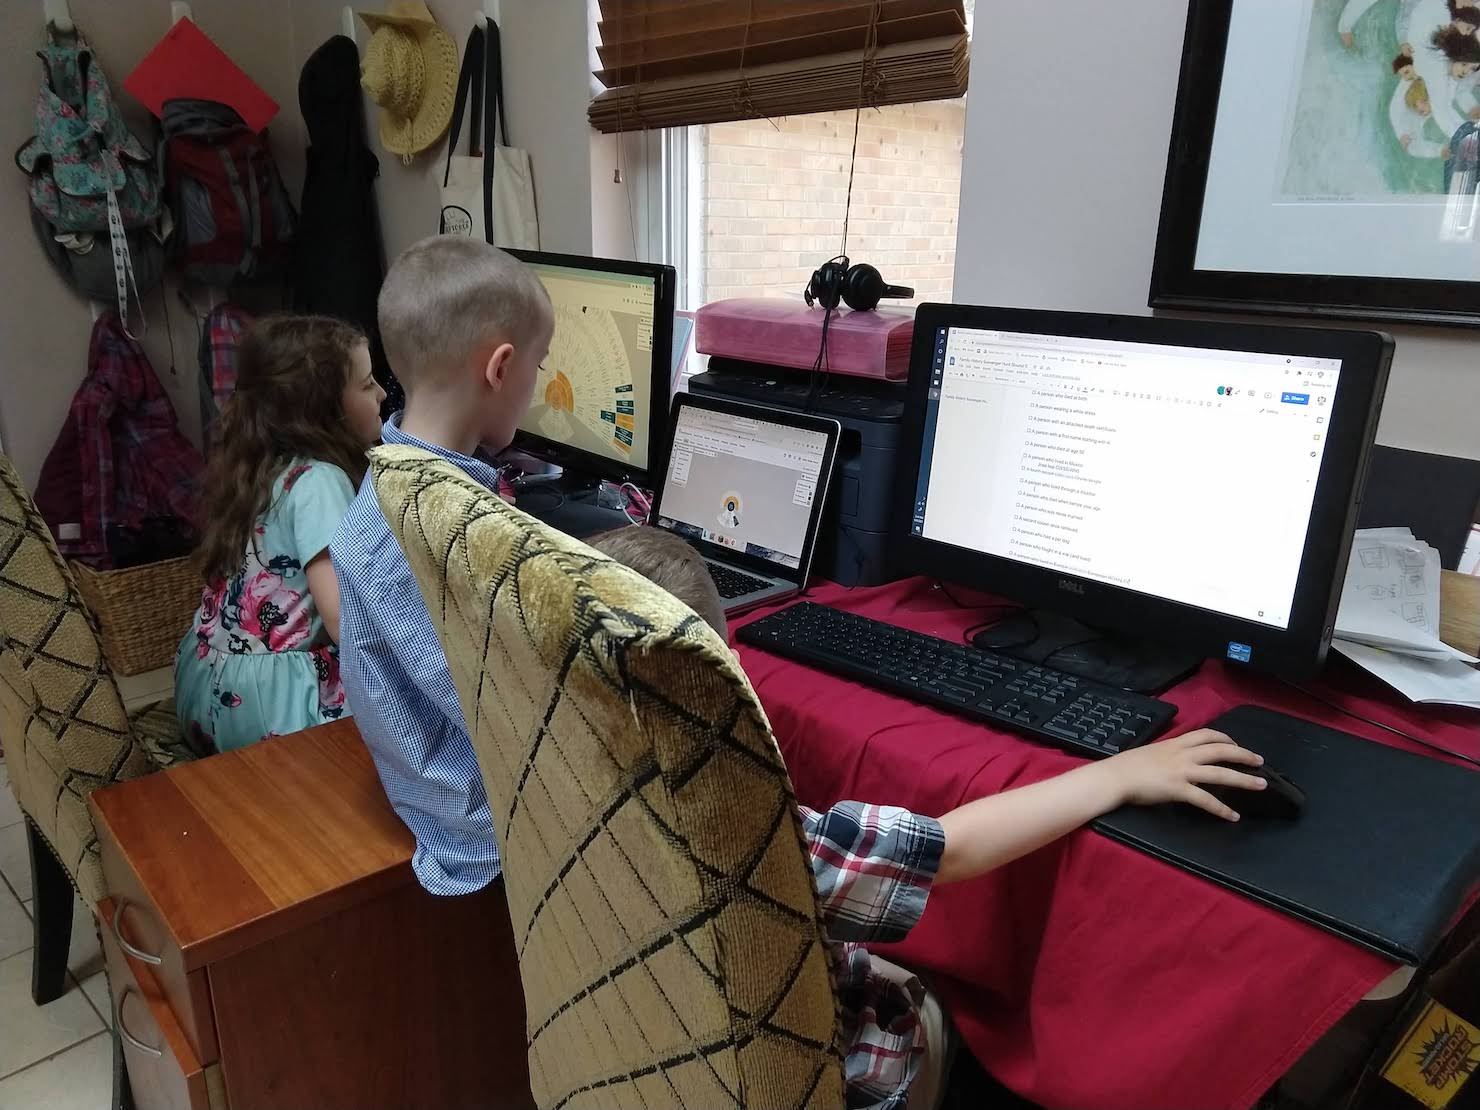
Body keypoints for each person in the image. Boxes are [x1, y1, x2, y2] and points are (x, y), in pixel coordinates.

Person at [584, 525, 1268, 1110]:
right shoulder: (746, 833)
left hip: (626, 1048)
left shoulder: (546, 768)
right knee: (956, 997)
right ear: (726, 672)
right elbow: (953, 850)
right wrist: (1118, 774)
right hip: (812, 1073)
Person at [331, 236, 553, 896]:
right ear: (501, 368)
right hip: (473, 821)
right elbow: (491, 704)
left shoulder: (401, 481)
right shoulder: (425, 529)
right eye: (539, 366)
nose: (536, 384)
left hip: (441, 775)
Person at [176, 315, 385, 752]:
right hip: (272, 707)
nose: (382, 394)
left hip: (202, 683)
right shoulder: (321, 480)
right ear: (326, 407)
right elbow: (345, 622)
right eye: (367, 385)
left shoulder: (254, 469)